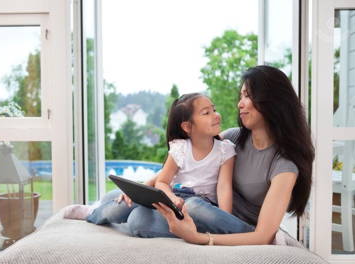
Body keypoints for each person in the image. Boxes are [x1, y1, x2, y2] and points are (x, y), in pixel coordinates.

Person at [153, 65, 315, 245]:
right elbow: (184, 163)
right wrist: (142, 188)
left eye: (247, 96)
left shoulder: (284, 165)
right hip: (205, 210)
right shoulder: (233, 137)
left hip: (234, 226)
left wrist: (197, 238)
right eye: (241, 96)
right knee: (134, 215)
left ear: (272, 102)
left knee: (193, 206)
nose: (240, 104)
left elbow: (263, 236)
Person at [65, 93, 238, 238]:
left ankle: (233, 230)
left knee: (145, 217)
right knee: (120, 204)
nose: (216, 115)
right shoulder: (181, 148)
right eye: (206, 113)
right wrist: (170, 198)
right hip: (171, 197)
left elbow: (224, 186)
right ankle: (92, 214)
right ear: (187, 126)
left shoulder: (225, 149)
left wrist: (224, 219)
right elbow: (162, 181)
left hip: (199, 204)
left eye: (214, 110)